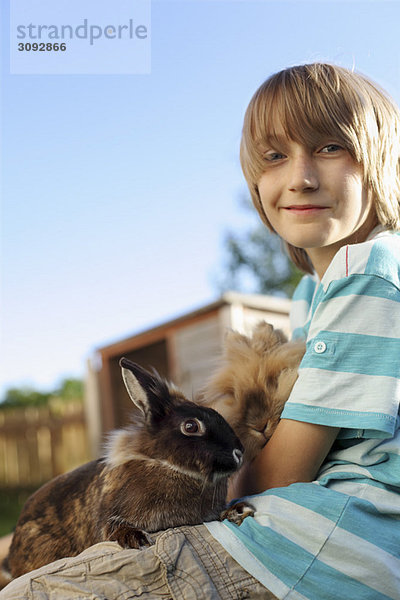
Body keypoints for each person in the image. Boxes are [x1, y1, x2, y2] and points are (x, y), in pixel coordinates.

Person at [1, 62, 399, 600]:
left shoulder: (368, 275)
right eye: (276, 156)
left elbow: (278, 471)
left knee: (33, 593)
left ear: (381, 161)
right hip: (310, 529)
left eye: (330, 148)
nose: (300, 176)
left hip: (330, 542)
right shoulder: (313, 292)